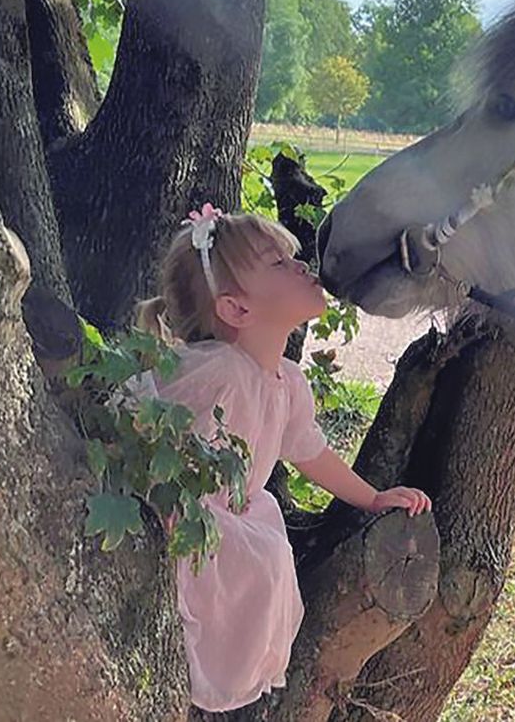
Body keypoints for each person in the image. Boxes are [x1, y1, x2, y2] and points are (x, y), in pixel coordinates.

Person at [135, 203, 431, 712]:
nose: (300, 265)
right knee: (261, 563)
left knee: (269, 560)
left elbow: (311, 452)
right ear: (236, 310)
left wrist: (373, 497)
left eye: (291, 256)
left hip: (237, 517)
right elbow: (150, 432)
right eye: (278, 263)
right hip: (194, 523)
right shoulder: (219, 372)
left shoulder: (287, 383)